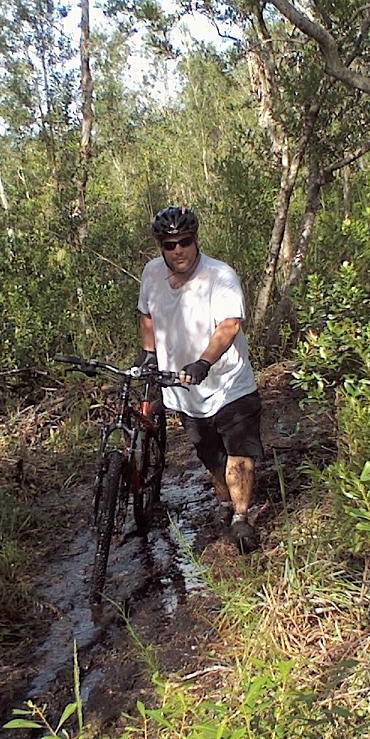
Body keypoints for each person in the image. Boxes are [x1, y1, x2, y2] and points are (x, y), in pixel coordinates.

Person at [137, 205, 262, 553]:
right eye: (169, 244)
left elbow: (229, 325)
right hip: (184, 391)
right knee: (211, 458)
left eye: (185, 241)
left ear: (196, 240)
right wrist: (149, 354)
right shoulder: (151, 275)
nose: (178, 250)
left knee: (239, 452)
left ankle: (241, 518)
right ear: (160, 246)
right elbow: (146, 314)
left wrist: (205, 361)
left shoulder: (220, 276)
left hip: (229, 384)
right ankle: (225, 506)